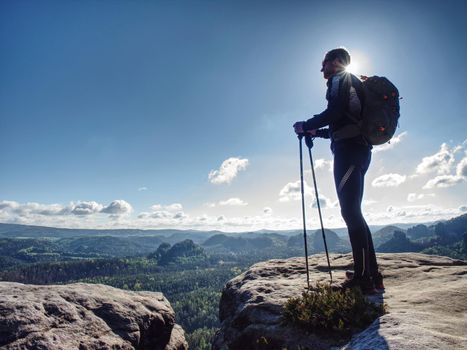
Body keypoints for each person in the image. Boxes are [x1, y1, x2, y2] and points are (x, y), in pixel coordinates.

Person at [293, 47, 383, 294]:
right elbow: (341, 122)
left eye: (324, 63)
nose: (322, 68)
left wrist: (306, 124)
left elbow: (334, 112)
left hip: (349, 153)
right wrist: (316, 132)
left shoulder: (339, 79)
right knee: (355, 212)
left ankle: (363, 280)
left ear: (336, 62)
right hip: (358, 151)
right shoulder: (351, 83)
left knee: (350, 212)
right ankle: (372, 275)